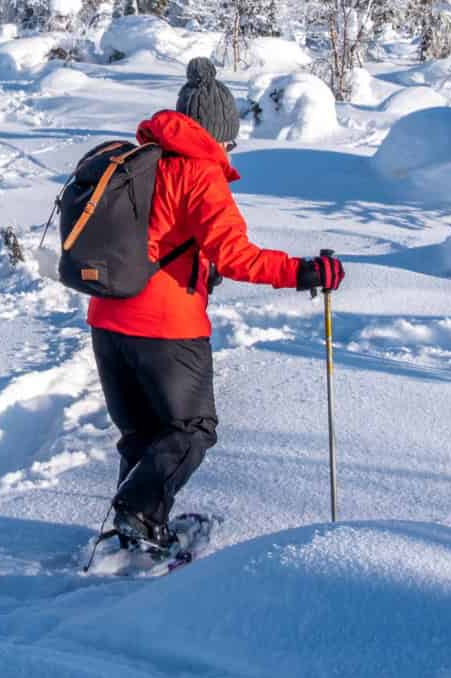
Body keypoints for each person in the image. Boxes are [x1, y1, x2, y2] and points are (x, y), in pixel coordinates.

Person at [86, 57, 345, 551]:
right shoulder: (200, 174)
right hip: (165, 326)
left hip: (107, 317)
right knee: (191, 429)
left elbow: (162, 237)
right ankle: (139, 514)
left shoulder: (140, 161)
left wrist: (203, 268)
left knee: (143, 435)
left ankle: (138, 530)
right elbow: (237, 254)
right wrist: (302, 271)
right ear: (217, 132)